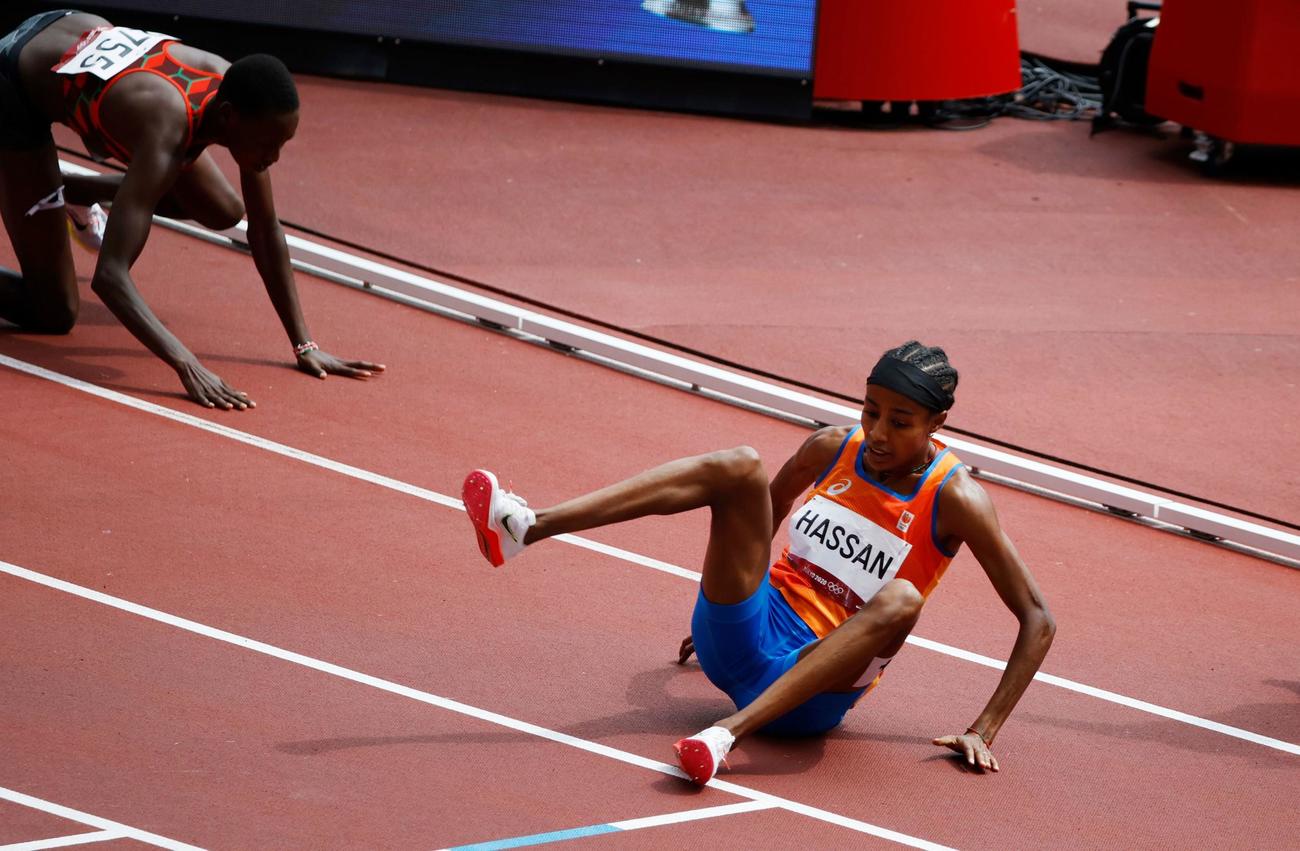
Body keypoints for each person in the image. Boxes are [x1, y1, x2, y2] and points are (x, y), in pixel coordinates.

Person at [462, 341, 1055, 783]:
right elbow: (766, 510)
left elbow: (1037, 617)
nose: (876, 431)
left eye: (899, 423)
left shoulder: (956, 498)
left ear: (937, 424)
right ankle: (526, 528)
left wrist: (984, 728)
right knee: (740, 464)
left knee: (903, 600)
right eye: (871, 409)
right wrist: (736, 595)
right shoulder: (833, 447)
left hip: (807, 697)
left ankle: (724, 738)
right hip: (743, 636)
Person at [0, 10, 383, 409]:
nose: (276, 156)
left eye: (283, 143)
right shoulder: (168, 127)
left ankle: (70, 191)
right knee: (54, 311)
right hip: (13, 86)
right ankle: (35, 183)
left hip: (67, 25)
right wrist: (185, 362)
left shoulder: (243, 90)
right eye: (270, 143)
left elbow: (264, 229)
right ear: (229, 118)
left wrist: (305, 344)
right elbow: (110, 276)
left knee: (223, 210)